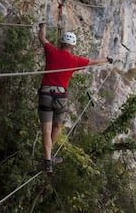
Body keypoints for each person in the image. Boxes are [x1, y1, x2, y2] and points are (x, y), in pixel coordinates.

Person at [38, 23, 112, 173]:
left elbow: (42, 38)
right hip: (60, 97)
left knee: (46, 129)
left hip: (45, 94)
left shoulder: (51, 51)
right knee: (57, 126)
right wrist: (107, 59)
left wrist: (43, 26)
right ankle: (49, 156)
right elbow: (93, 62)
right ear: (73, 46)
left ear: (61, 43)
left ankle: (47, 160)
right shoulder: (75, 60)